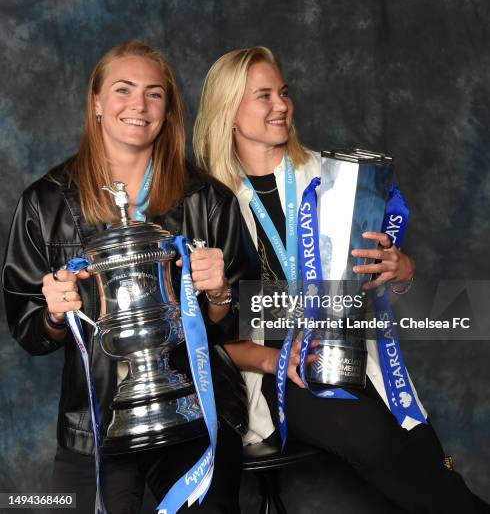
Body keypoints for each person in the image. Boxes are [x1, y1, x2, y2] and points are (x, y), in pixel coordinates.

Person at [193, 46, 490, 513]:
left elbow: (382, 283)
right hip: (270, 366)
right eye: (263, 96)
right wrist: (272, 357)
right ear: (228, 111)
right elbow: (197, 329)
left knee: (422, 449)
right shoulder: (204, 200)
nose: (282, 105)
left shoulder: (331, 177)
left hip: (349, 344)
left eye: (284, 93)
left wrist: (402, 271)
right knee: (375, 440)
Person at [2, 41, 259, 514]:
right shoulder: (44, 203)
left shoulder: (209, 199)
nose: (138, 105)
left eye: (154, 93)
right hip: (94, 420)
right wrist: (55, 315)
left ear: (168, 109)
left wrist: (221, 292)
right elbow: (28, 330)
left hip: (194, 411)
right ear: (96, 102)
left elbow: (244, 321)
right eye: (123, 90)